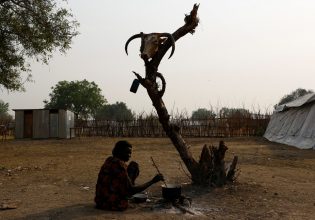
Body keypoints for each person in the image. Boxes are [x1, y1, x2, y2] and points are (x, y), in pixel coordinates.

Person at [95, 140, 164, 211]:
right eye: (127, 153)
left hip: (100, 201)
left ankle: (127, 190)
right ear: (119, 152)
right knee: (131, 182)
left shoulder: (109, 160)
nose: (129, 155)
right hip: (112, 204)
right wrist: (153, 181)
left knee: (133, 165)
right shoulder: (119, 166)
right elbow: (131, 190)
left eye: (130, 153)